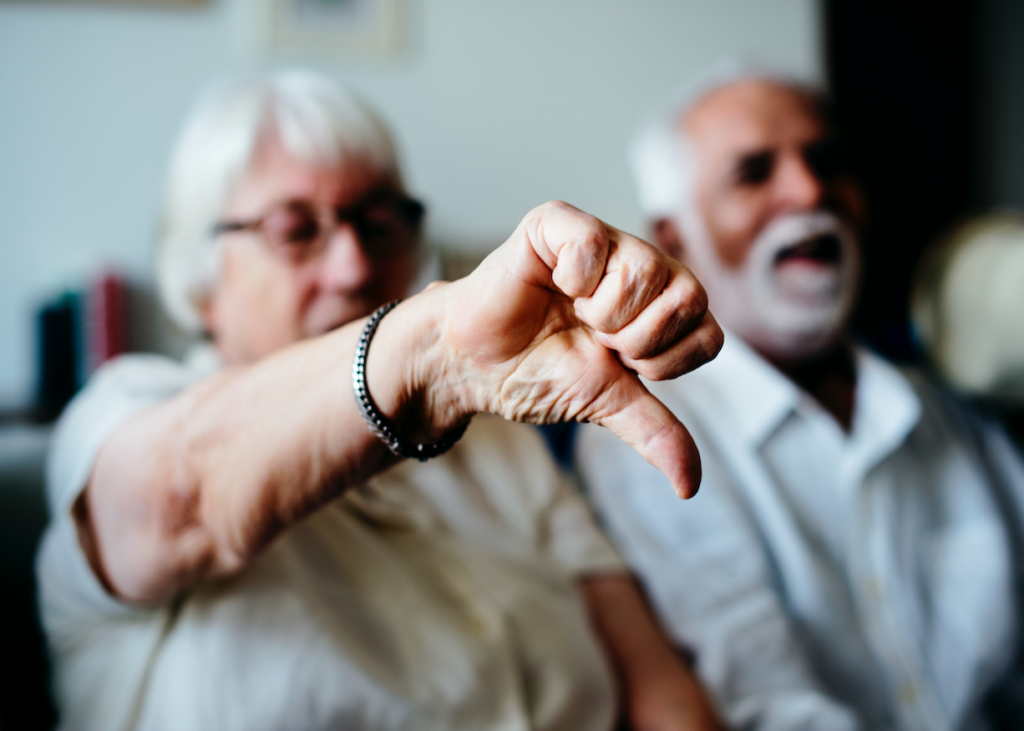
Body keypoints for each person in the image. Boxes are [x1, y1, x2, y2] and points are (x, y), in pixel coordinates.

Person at [36, 70, 725, 731]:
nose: (355, 266)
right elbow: (177, 504)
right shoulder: (126, 408)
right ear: (200, 275)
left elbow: (662, 695)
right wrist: (430, 353)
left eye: (380, 221)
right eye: (296, 230)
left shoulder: (500, 445)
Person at [576, 64, 1024, 731]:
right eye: (754, 172)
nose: (811, 189)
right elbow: (766, 704)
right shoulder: (650, 436)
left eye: (827, 161)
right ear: (673, 237)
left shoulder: (954, 410)